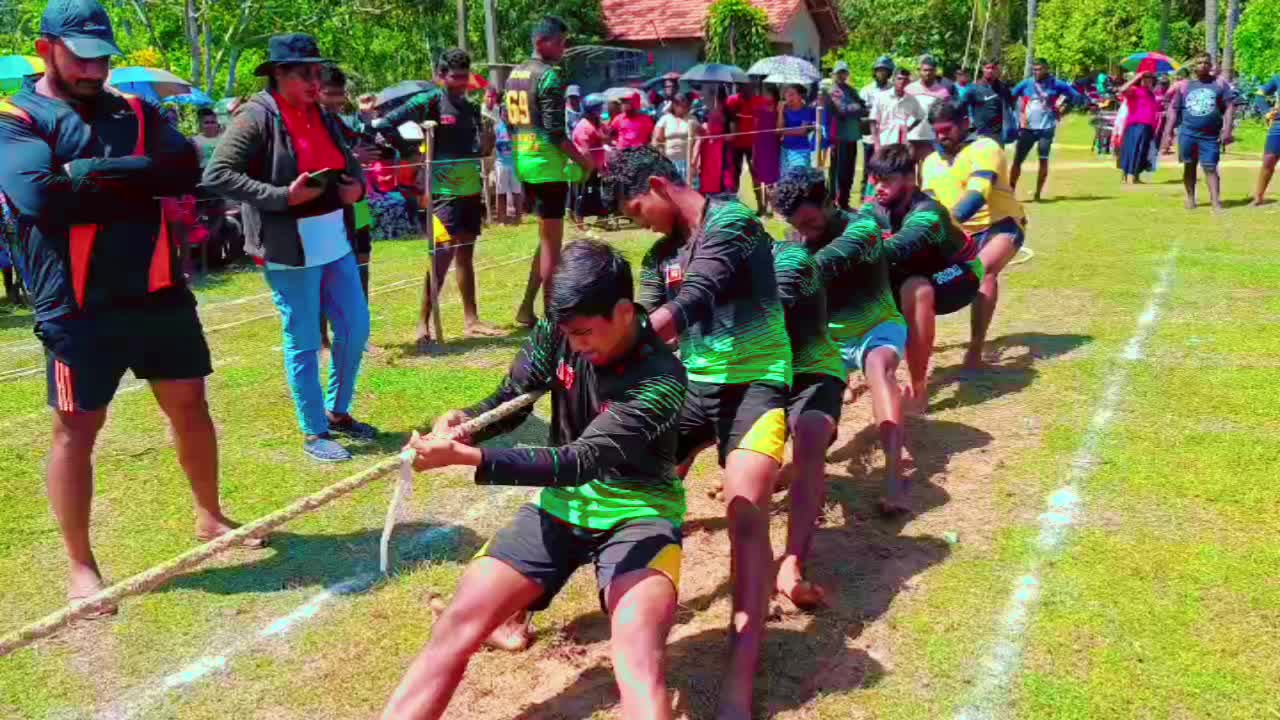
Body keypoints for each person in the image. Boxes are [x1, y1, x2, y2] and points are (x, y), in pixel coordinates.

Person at [0, 0, 261, 605]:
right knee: (76, 429)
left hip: (159, 290)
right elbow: (39, 199)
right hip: (75, 304)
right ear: (46, 49)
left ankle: (210, 516)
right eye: (81, 58)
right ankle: (81, 566)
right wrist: (136, 180)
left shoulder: (136, 110)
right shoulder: (17, 117)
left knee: (191, 406)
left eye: (102, 59)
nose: (94, 71)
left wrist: (87, 172)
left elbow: (184, 168)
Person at [381, 240, 688, 720]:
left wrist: (468, 456)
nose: (575, 345)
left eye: (584, 333)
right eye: (567, 334)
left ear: (624, 312)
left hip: (641, 512)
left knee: (636, 656)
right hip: (561, 504)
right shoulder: (558, 330)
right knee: (456, 625)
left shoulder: (662, 379)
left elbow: (581, 460)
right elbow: (513, 397)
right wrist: (466, 421)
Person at [614, 146, 791, 718]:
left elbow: (694, 297)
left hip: (756, 384)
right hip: (693, 388)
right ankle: (520, 602)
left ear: (658, 186)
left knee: (745, 511)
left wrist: (629, 342)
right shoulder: (657, 257)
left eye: (638, 209)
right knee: (616, 482)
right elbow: (644, 323)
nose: (640, 222)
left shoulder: (734, 222)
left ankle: (740, 674)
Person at [204, 33, 374, 463]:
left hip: (335, 239)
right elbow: (218, 174)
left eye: (318, 72)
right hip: (288, 247)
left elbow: (349, 162)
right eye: (305, 74)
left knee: (355, 328)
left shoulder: (322, 113)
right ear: (279, 74)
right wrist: (282, 197)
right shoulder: (255, 116)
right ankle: (314, 431)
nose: (316, 82)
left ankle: (337, 412)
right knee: (304, 340)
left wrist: (357, 188)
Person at [772, 164, 911, 513]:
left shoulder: (863, 229)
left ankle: (894, 476)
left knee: (878, 367)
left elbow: (818, 266)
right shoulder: (795, 239)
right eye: (797, 226)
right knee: (790, 390)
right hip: (827, 340)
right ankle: (784, 465)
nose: (804, 233)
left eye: (811, 222)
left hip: (876, 327)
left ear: (830, 202)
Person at [373, 48, 501, 351]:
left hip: (469, 188)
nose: (460, 83)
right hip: (443, 193)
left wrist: (486, 143)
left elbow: (478, 149)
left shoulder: (471, 108)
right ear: (440, 76)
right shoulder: (429, 101)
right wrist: (409, 150)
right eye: (455, 77)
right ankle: (423, 323)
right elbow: (385, 124)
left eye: (464, 77)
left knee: (466, 254)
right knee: (441, 256)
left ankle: (472, 319)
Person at [922, 102, 1026, 373]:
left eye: (947, 129)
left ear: (965, 123)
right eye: (937, 131)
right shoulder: (930, 162)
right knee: (921, 282)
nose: (941, 136)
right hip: (960, 235)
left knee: (983, 271)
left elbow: (978, 193)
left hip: (1000, 225)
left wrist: (946, 224)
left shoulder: (985, 148)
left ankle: (975, 349)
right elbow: (929, 204)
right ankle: (921, 347)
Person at [508, 16, 596, 328]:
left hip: (524, 161)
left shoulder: (515, 74)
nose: (563, 48)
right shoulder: (548, 77)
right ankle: (551, 317)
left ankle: (526, 308)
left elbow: (510, 123)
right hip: (547, 166)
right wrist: (584, 161)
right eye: (559, 42)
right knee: (551, 246)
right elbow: (556, 133)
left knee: (547, 242)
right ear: (540, 42)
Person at [1161, 55, 1234, 211]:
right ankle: (1190, 199)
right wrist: (1167, 133)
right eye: (1199, 63)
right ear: (1194, 66)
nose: (1203, 65)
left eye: (1206, 63)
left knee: (1210, 167)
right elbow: (1174, 110)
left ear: (1211, 66)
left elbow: (1229, 107)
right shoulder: (1185, 86)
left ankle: (1215, 202)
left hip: (1210, 135)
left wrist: (1227, 130)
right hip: (1188, 133)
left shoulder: (1219, 84)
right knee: (1189, 165)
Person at [1009, 58, 1085, 201]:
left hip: (1046, 128)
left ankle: (1038, 194)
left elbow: (1076, 97)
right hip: (1028, 129)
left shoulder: (1056, 84)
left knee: (1043, 160)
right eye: (1034, 69)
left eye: (1039, 69)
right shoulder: (1027, 83)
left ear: (1046, 69)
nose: (1036, 72)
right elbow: (1011, 97)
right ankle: (1010, 192)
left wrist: (1064, 109)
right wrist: (1018, 115)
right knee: (1017, 160)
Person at [828, 60, 867, 210]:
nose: (842, 76)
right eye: (839, 73)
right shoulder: (833, 91)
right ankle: (836, 204)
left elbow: (864, 108)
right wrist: (856, 107)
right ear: (833, 74)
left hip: (852, 136)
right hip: (839, 138)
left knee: (849, 172)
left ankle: (845, 203)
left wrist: (855, 108)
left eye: (844, 73)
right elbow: (841, 110)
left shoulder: (851, 90)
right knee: (839, 173)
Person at [905, 55, 954, 165]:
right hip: (910, 136)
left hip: (931, 138)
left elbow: (944, 117)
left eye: (931, 70)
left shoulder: (943, 92)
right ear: (919, 71)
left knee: (928, 168)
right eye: (925, 70)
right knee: (908, 168)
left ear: (935, 71)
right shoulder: (909, 89)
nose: (928, 73)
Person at [725, 82, 766, 208]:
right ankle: (735, 205)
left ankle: (761, 205)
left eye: (749, 86)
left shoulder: (760, 101)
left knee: (756, 174)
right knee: (735, 175)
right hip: (736, 144)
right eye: (741, 86)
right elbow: (728, 119)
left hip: (753, 145)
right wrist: (734, 115)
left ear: (753, 87)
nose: (744, 89)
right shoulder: (732, 100)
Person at [860, 55, 896, 195]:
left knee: (886, 165)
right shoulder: (866, 90)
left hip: (888, 135)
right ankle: (866, 193)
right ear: (875, 72)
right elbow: (860, 112)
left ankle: (885, 191)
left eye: (885, 70)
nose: (881, 73)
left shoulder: (894, 90)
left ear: (889, 73)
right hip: (870, 136)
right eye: (879, 70)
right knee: (868, 165)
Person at [571, 94, 609, 226]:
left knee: (596, 193)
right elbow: (584, 151)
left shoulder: (596, 123)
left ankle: (601, 220)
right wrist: (590, 167)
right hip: (586, 167)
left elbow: (604, 138)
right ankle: (579, 220)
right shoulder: (583, 126)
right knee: (584, 193)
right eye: (599, 108)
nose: (601, 110)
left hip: (596, 167)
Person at [1117, 68, 1161, 184]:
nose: (1147, 81)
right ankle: (1129, 175)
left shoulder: (1151, 94)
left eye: (1150, 78)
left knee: (1143, 151)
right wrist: (1137, 77)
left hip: (1149, 126)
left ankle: (1136, 175)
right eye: (1145, 78)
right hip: (1136, 124)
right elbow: (1122, 90)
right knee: (1134, 149)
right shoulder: (1135, 90)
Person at [870, 68, 926, 155]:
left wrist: (909, 128)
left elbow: (920, 116)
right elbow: (873, 121)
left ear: (909, 82)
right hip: (885, 142)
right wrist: (876, 144)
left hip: (902, 144)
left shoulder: (911, 100)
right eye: (899, 78)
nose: (902, 82)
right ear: (893, 80)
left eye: (905, 80)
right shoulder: (881, 97)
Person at [960, 60, 1013, 144]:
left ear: (997, 70)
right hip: (979, 134)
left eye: (993, 68)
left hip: (997, 134)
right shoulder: (974, 88)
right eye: (987, 68)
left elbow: (1010, 106)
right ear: (983, 69)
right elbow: (961, 107)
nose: (990, 71)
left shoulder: (1003, 88)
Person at [653, 91, 697, 180]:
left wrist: (694, 161)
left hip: (687, 162)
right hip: (669, 162)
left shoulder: (692, 118)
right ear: (674, 105)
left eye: (685, 106)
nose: (684, 108)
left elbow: (698, 139)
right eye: (681, 106)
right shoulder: (665, 119)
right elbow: (657, 139)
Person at [752, 85, 782, 212]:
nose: (765, 97)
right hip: (760, 144)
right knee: (759, 175)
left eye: (767, 94)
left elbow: (780, 128)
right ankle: (761, 205)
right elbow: (754, 129)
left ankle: (771, 205)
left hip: (773, 145)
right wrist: (754, 146)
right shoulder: (759, 110)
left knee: (772, 175)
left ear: (774, 96)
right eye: (764, 94)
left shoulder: (779, 110)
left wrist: (780, 111)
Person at [1252, 73, 1280, 206]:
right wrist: (1267, 112)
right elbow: (1259, 95)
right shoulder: (1277, 78)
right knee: (1269, 159)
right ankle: (1258, 197)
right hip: (1278, 125)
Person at [780, 84, 817, 171]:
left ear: (800, 96)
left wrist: (782, 131)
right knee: (786, 176)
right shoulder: (785, 110)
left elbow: (802, 131)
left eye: (792, 94)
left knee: (799, 174)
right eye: (787, 94)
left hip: (801, 149)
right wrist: (780, 112)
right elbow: (779, 128)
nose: (789, 97)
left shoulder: (807, 110)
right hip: (786, 149)